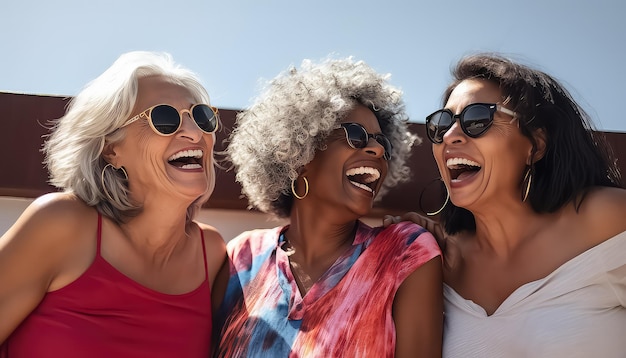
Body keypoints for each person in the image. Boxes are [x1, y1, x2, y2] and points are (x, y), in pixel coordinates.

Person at [391, 53, 626, 357]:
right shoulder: (440, 264)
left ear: (535, 145)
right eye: (441, 124)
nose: (450, 136)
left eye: (476, 119)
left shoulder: (607, 220)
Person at [212, 57, 443, 357]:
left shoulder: (405, 253)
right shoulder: (241, 257)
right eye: (356, 135)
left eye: (382, 144)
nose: (375, 150)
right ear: (299, 154)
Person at [0, 51, 226, 357]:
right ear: (111, 149)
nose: (195, 133)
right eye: (164, 118)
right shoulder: (60, 224)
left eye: (201, 116)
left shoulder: (210, 254)